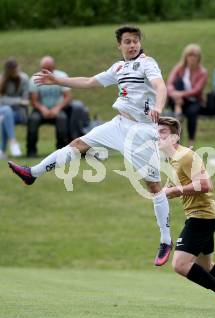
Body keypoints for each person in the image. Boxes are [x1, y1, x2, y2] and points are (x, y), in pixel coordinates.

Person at [8, 25, 173, 266]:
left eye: (135, 41)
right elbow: (88, 81)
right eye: (127, 41)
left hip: (141, 132)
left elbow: (161, 86)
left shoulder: (148, 63)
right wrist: (57, 79)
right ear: (119, 46)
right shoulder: (119, 68)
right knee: (78, 144)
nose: (132, 45)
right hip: (118, 124)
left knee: (154, 186)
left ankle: (165, 239)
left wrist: (158, 106)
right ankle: (32, 173)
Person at [158, 117, 215, 312]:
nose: (158, 136)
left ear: (175, 137)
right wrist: (162, 193)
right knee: (207, 265)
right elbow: (175, 184)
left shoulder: (185, 156)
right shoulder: (172, 158)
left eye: (163, 132)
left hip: (201, 217)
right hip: (205, 215)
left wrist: (175, 191)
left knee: (180, 264)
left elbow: (205, 184)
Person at [27, 56, 72, 156]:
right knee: (33, 120)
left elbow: (68, 97)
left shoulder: (62, 76)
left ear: (54, 67)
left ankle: (61, 150)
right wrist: (42, 108)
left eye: (49, 68)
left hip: (57, 109)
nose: (46, 71)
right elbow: (33, 101)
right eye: (44, 69)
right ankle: (31, 150)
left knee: (62, 119)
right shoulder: (35, 78)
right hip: (40, 110)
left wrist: (57, 108)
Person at [167, 44, 208, 148]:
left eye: (194, 55)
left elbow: (197, 90)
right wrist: (175, 94)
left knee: (192, 113)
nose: (192, 58)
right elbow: (170, 84)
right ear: (185, 57)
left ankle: (191, 143)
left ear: (199, 58)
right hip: (177, 99)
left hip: (193, 100)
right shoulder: (179, 68)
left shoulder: (202, 72)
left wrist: (180, 94)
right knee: (178, 81)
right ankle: (176, 142)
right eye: (190, 55)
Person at [0, 59, 30, 157]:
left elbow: (26, 100)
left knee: (4, 117)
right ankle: (13, 142)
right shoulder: (2, 80)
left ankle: (2, 150)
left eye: (18, 69)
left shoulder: (24, 79)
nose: (18, 72)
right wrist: (18, 101)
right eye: (15, 70)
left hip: (19, 113)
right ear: (9, 72)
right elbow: (1, 100)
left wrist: (12, 101)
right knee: (6, 112)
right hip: (3, 110)